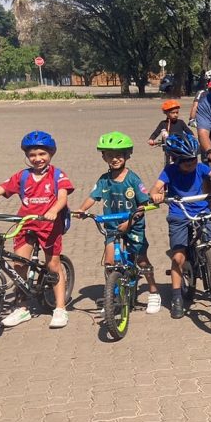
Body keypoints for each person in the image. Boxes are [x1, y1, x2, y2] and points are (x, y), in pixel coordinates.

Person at [0, 131, 74, 328]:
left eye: (42, 154)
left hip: (49, 225)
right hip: (25, 223)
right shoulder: (23, 176)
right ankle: (21, 308)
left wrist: (54, 210)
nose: (37, 158)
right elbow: (0, 189)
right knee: (18, 264)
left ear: (50, 154)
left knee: (53, 265)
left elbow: (63, 197)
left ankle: (60, 308)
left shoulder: (57, 174)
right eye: (32, 155)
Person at [149, 133, 211, 320]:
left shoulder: (199, 168)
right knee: (178, 258)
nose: (191, 164)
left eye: (193, 160)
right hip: (179, 214)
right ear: (176, 160)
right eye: (186, 162)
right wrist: (155, 194)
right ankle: (176, 297)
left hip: (201, 212)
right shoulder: (169, 171)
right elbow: (156, 187)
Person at [73, 132, 160, 314]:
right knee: (110, 262)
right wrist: (82, 209)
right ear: (103, 156)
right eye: (110, 155)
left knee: (142, 261)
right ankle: (112, 295)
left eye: (119, 155)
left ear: (128, 155)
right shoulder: (104, 180)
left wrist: (129, 223)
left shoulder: (133, 179)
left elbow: (143, 205)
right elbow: (92, 197)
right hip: (112, 227)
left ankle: (153, 292)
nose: (114, 159)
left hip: (133, 226)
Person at [149, 100, 191, 165]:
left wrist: (191, 137)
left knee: (180, 162)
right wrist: (151, 139)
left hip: (179, 146)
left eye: (177, 112)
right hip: (167, 147)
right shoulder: (163, 124)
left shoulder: (181, 122)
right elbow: (156, 132)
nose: (175, 115)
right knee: (167, 163)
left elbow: (188, 131)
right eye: (173, 113)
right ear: (166, 113)